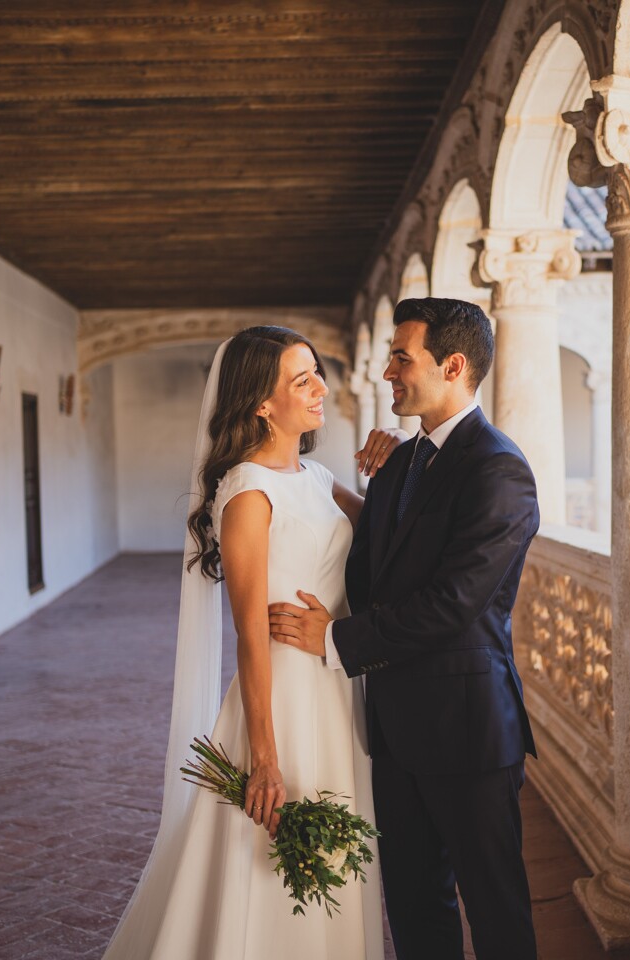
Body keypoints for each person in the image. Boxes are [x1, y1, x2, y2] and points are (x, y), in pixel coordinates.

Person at [103, 325, 402, 960]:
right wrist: (263, 755)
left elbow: (390, 533)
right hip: (283, 698)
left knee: (336, 852)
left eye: (317, 372)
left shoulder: (317, 479)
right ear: (261, 403)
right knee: (265, 856)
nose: (321, 387)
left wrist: (398, 453)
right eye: (303, 380)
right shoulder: (247, 492)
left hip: (336, 683)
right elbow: (248, 636)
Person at [269, 298, 540, 960]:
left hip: (467, 728)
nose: (387, 372)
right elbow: (381, 561)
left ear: (452, 366)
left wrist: (333, 640)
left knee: (496, 910)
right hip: (393, 728)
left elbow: (454, 602)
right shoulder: (400, 460)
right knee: (416, 907)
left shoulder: (499, 469)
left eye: (401, 357)